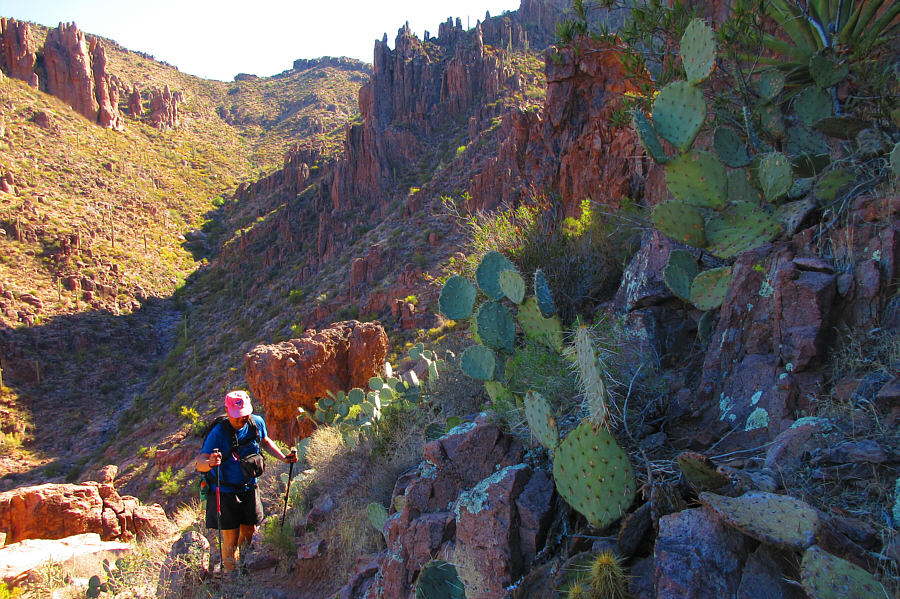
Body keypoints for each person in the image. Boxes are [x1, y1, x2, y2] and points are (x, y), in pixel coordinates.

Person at [196, 390, 298, 574]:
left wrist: (283, 458)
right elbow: (200, 463)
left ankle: (244, 566)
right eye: (236, 416)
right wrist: (210, 463)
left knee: (250, 531)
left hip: (249, 487)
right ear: (227, 412)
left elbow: (265, 441)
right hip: (225, 492)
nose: (241, 419)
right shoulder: (219, 433)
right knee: (230, 539)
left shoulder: (256, 423)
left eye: (244, 415)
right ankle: (231, 577)